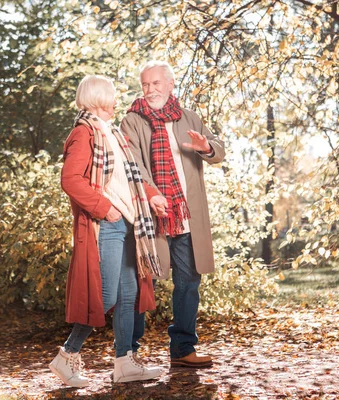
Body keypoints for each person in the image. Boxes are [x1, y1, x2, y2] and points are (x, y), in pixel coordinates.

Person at [50, 75, 167, 386]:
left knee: (128, 296)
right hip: (108, 224)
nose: (117, 101)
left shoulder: (112, 133)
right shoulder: (84, 134)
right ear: (99, 99)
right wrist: (104, 208)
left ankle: (125, 363)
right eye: (112, 96)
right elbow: (71, 180)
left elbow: (128, 178)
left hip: (129, 223)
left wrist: (151, 195)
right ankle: (66, 356)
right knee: (103, 296)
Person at [121, 61, 225, 368]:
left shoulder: (189, 117)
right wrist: (152, 192)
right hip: (150, 216)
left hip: (186, 215)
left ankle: (182, 349)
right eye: (145, 85)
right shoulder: (132, 120)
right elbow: (133, 164)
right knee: (143, 282)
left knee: (189, 281)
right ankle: (128, 353)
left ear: (170, 85)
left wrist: (206, 146)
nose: (150, 90)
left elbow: (218, 150)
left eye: (156, 84)